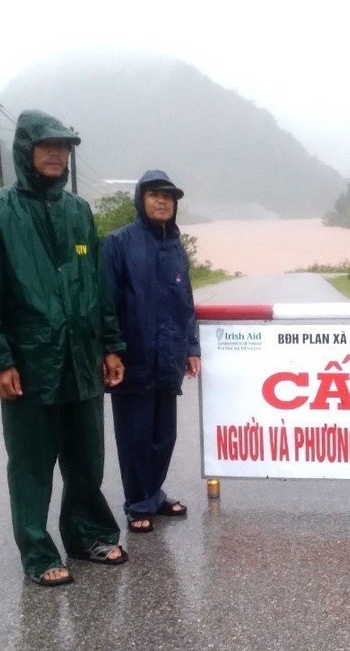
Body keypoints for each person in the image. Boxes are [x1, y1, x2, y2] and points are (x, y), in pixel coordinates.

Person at [0, 109, 129, 587]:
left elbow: (98, 289)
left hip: (81, 360)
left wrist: (111, 346)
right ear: (25, 150)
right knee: (32, 464)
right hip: (29, 363)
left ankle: (88, 534)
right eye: (47, 145)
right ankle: (37, 552)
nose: (57, 154)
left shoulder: (79, 210)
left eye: (64, 146)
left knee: (86, 458)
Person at [102, 170, 200, 534]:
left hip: (168, 358)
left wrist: (190, 346)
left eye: (169, 196)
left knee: (164, 435)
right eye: (155, 194)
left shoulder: (175, 245)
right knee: (135, 435)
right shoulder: (118, 243)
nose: (163, 201)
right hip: (133, 358)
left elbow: (185, 302)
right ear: (141, 199)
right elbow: (106, 303)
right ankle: (137, 503)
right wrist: (111, 349)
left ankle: (153, 494)